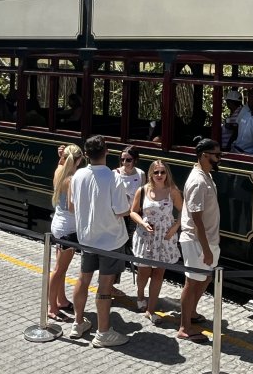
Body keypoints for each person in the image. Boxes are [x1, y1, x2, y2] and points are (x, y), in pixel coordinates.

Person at [68, 135, 130, 347]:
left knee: (83, 279)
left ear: (86, 155)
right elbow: (122, 210)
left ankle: (78, 323)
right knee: (104, 286)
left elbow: (73, 206)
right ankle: (103, 332)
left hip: (87, 238)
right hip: (110, 240)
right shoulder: (114, 178)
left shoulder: (77, 176)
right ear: (107, 152)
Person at [177, 137, 222, 343]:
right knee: (192, 281)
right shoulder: (197, 180)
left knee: (205, 278)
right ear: (204, 156)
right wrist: (206, 248)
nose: (218, 159)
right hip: (196, 241)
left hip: (206, 239)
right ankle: (184, 327)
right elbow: (196, 219)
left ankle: (191, 313)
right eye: (216, 155)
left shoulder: (206, 175)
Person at [130, 160, 183, 324]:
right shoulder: (143, 190)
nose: (159, 175)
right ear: (151, 174)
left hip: (164, 238)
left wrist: (175, 227)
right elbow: (133, 212)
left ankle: (150, 309)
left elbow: (184, 211)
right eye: (156, 172)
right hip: (146, 237)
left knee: (159, 273)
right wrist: (142, 223)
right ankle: (140, 294)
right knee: (144, 272)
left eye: (162, 172)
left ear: (167, 174)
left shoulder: (172, 191)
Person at [48, 143, 84, 322]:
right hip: (68, 228)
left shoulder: (59, 171)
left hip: (58, 223)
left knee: (60, 268)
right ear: (78, 161)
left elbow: (61, 164)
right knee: (59, 270)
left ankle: (61, 300)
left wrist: (60, 156)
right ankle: (52, 307)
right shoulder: (72, 179)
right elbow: (72, 207)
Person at [113, 146, 144, 296]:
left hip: (134, 215)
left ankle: (139, 287)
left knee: (133, 248)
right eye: (122, 159)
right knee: (117, 248)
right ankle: (111, 282)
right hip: (119, 216)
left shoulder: (140, 174)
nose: (125, 163)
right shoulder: (115, 174)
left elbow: (143, 195)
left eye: (128, 160)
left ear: (135, 160)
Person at [233, 87, 253, 155]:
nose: (248, 101)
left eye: (251, 99)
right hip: (235, 149)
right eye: (248, 98)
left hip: (250, 154)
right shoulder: (245, 109)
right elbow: (236, 128)